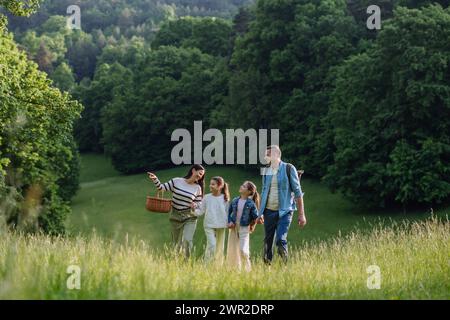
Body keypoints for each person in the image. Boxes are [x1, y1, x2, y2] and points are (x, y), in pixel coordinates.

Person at [257, 145, 307, 264]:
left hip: (285, 211)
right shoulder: (266, 171)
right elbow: (264, 192)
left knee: (280, 240)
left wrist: (301, 215)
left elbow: (298, 192)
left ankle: (285, 265)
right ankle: (267, 268)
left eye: (268, 154)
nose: (265, 157)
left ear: (276, 155)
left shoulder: (289, 168)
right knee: (267, 242)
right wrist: (260, 213)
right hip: (268, 211)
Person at [147, 164, 205, 258]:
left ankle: (187, 263)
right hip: (175, 215)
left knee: (187, 240)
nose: (200, 176)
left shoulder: (197, 188)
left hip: (189, 216)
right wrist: (155, 179)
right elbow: (162, 188)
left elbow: (199, 204)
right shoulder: (177, 181)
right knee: (175, 243)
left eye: (202, 175)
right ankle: (176, 262)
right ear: (193, 170)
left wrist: (195, 205)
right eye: (200, 173)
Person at [192, 176, 230, 264]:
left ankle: (216, 266)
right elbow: (200, 211)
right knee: (212, 245)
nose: (210, 186)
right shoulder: (206, 197)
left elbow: (228, 212)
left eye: (213, 184)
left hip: (221, 225)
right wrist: (193, 209)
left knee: (219, 246)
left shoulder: (225, 198)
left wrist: (229, 222)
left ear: (220, 186)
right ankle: (206, 265)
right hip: (209, 225)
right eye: (210, 184)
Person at [227, 181, 260, 271]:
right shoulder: (234, 200)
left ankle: (247, 269)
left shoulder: (251, 204)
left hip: (244, 228)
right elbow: (228, 212)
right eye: (242, 185)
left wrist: (259, 219)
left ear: (249, 192)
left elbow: (256, 216)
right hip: (234, 227)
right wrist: (229, 221)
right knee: (233, 249)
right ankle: (234, 270)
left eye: (244, 186)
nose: (241, 186)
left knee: (243, 250)